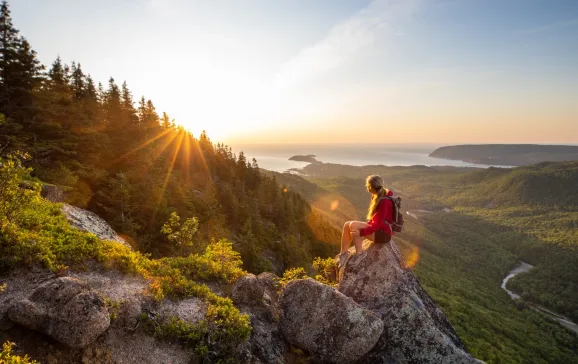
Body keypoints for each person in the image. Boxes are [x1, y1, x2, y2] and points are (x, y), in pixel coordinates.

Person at [335, 174, 395, 268]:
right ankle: (343, 254)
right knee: (347, 224)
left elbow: (378, 224)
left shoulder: (384, 201)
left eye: (367, 185)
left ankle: (360, 254)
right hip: (379, 229)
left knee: (354, 227)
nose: (366, 188)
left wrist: (361, 232)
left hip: (384, 234)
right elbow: (375, 220)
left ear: (371, 187)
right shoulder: (377, 196)